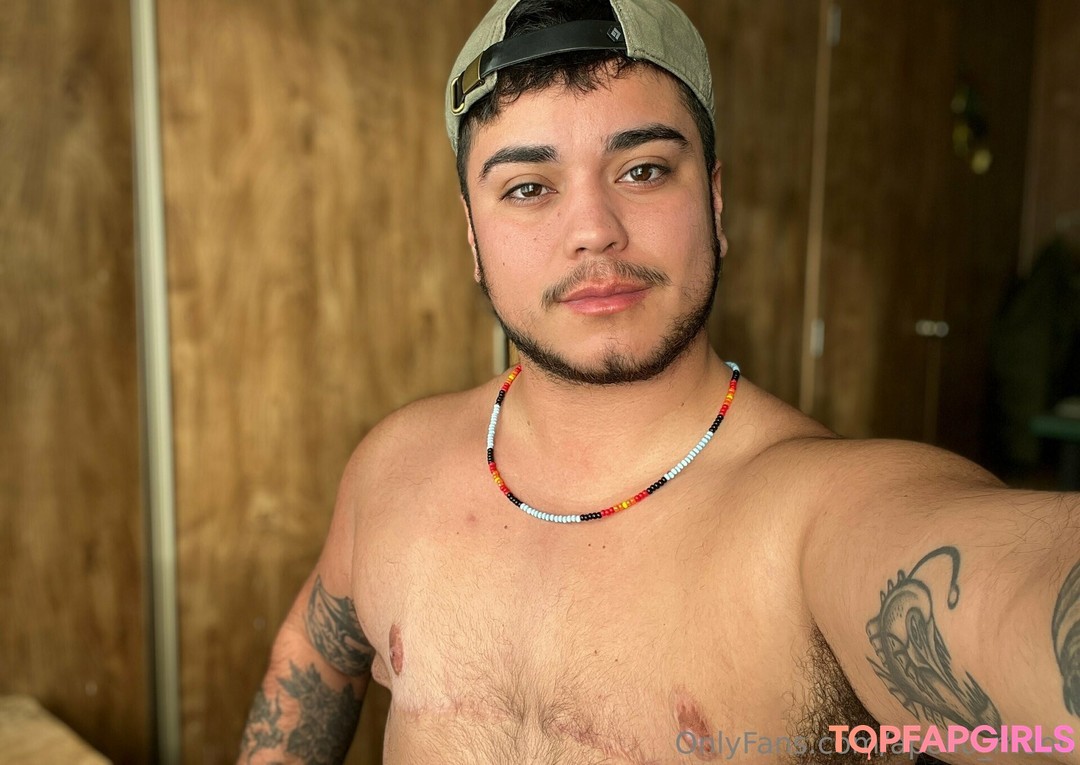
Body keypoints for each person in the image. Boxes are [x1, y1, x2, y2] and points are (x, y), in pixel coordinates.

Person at [238, 0, 1080, 762]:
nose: (593, 230)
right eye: (528, 187)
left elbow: (1016, 594)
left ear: (714, 200)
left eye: (642, 169)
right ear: (472, 235)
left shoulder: (818, 519)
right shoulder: (393, 466)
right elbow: (313, 654)